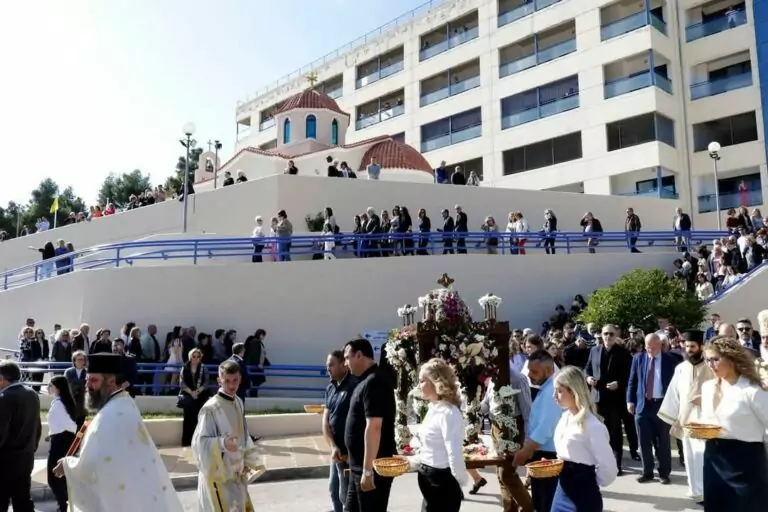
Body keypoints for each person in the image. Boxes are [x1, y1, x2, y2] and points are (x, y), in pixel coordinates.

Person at [53, 353, 183, 511]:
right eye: (87, 379)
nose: (87, 386)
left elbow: (94, 464)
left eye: (94, 380)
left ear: (111, 382)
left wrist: (67, 465)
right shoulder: (124, 402)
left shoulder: (111, 415)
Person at [699, 336, 768, 510]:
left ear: (731, 358)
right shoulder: (707, 388)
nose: (710, 365)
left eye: (715, 359)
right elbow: (709, 421)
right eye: (707, 360)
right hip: (713, 458)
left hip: (745, 461)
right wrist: (699, 430)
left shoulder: (752, 391)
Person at [191, 360, 265, 511]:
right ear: (219, 380)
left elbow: (243, 433)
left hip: (236, 475)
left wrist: (248, 458)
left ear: (240, 379)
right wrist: (223, 443)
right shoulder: (210, 409)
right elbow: (200, 442)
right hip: (218, 479)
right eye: (227, 381)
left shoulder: (238, 401)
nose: (232, 386)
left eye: (235, 380)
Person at [401, 358, 468, 512]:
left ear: (436, 382)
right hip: (429, 480)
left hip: (441, 483)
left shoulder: (448, 412)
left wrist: (458, 481)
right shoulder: (434, 408)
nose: (418, 386)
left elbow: (454, 452)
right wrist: (411, 461)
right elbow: (430, 448)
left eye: (422, 381)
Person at [658, 330, 713, 504]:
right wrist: (670, 417)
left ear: (701, 347)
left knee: (704, 456)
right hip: (686, 420)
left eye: (692, 346)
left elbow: (720, 391)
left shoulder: (711, 367)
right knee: (690, 457)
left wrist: (704, 399)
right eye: (686, 346)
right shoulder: (680, 368)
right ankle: (695, 491)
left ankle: (707, 492)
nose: (689, 350)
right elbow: (673, 394)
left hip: (706, 420)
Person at [551, 366, 617, 510]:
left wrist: (589, 481)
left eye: (560, 391)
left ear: (574, 391)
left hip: (584, 495)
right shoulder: (564, 417)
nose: (554, 395)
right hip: (562, 489)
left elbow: (609, 468)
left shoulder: (593, 426)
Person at [343, 338, 397, 512]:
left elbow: (374, 427)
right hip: (358, 468)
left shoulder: (375, 382)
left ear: (359, 355)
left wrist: (368, 471)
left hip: (371, 471)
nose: (345, 363)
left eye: (347, 358)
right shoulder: (365, 381)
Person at [512, 350, 561, 512]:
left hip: (548, 456)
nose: (529, 375)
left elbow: (544, 428)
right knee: (541, 502)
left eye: (534, 372)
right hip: (542, 454)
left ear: (548, 371)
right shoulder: (546, 389)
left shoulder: (551, 392)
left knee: (545, 503)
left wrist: (525, 451)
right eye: (529, 370)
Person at [626, 333, 679, 484]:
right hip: (643, 406)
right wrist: (630, 401)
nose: (649, 349)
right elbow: (632, 381)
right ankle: (647, 472)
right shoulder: (638, 358)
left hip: (662, 405)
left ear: (660, 345)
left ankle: (664, 473)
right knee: (643, 441)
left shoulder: (671, 360)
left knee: (663, 442)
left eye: (653, 347)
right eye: (647, 346)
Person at [585, 324, 633, 475]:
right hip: (598, 397)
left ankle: (616, 464)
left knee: (615, 431)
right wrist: (588, 378)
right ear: (601, 335)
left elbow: (631, 374)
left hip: (615, 398)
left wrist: (619, 383)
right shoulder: (594, 350)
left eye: (611, 334)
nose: (608, 337)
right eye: (605, 333)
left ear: (616, 335)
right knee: (598, 431)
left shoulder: (623, 353)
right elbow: (587, 369)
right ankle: (600, 462)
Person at [0, 360, 42, 512]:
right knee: (23, 500)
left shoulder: (4, 397)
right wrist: (31, 449)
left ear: (1, 378)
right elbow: (37, 426)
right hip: (26, 457)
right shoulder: (32, 394)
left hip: (5, 461)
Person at [323, 350, 358, 512]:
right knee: (334, 489)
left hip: (349, 453)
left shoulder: (354, 386)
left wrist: (352, 451)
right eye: (327, 365)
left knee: (346, 495)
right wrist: (333, 446)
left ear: (343, 365)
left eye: (331, 364)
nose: (328, 368)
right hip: (336, 452)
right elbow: (325, 421)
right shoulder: (330, 388)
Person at [46, 376, 79, 512]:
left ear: (58, 389)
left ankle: (63, 507)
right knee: (59, 477)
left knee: (54, 476)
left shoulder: (59, 404)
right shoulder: (58, 402)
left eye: (51, 386)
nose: (48, 388)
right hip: (59, 439)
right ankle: (64, 505)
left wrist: (59, 434)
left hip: (60, 442)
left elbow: (70, 425)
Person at [179, 348, 209, 447]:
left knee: (198, 418)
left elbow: (206, 382)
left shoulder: (203, 368)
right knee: (188, 418)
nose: (196, 358)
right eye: (194, 356)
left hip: (200, 396)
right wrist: (191, 392)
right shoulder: (185, 367)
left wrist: (198, 391)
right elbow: (182, 383)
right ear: (190, 357)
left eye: (198, 357)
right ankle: (186, 441)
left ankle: (197, 441)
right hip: (188, 395)